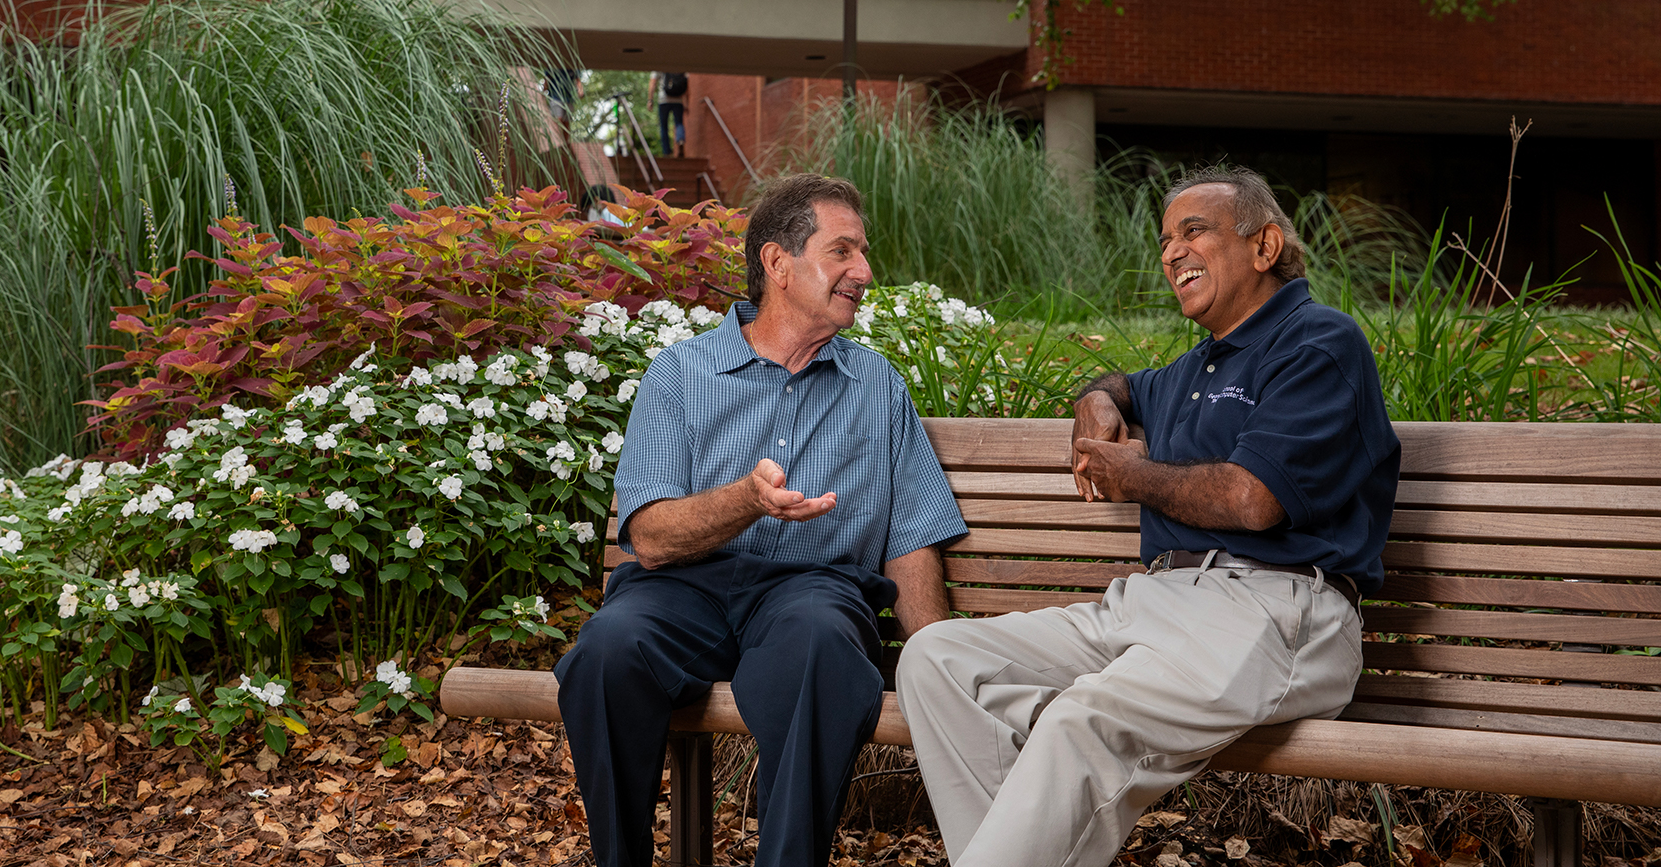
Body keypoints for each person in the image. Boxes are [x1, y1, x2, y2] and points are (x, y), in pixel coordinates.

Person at [897, 164, 1399, 867]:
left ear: (1264, 246)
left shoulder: (1317, 344)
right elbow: (1122, 385)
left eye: (1195, 231)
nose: (1170, 253)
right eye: (1164, 240)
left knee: (1079, 723)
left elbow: (1255, 500)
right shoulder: (1200, 369)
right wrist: (1097, 400)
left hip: (1278, 611)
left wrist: (1133, 475)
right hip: (1157, 606)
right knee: (938, 659)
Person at [555, 173, 968, 867]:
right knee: (603, 655)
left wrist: (942, 667)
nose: (864, 272)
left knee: (820, 647)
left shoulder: (876, 386)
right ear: (779, 264)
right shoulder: (680, 375)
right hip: (681, 592)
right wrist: (745, 499)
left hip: (812, 592)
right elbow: (650, 536)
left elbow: (912, 538)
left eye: (863, 254)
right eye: (843, 252)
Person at [654, 71, 688, 156]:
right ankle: (680, 139)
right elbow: (686, 87)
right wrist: (686, 102)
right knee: (679, 123)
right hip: (678, 100)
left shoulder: (659, 66)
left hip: (663, 100)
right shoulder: (681, 65)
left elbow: (653, 83)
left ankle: (666, 152)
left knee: (664, 126)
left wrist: (650, 100)